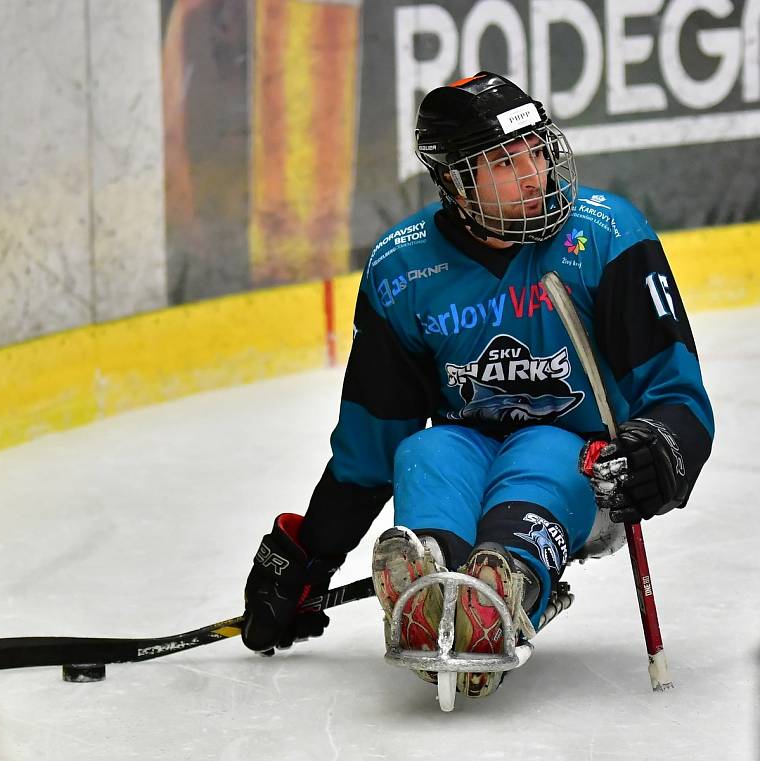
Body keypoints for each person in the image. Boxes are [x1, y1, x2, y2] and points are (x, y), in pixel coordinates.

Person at [240, 72, 714, 700]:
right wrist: (310, 558)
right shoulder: (403, 269)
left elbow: (678, 396)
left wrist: (661, 448)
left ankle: (504, 586)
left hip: (579, 461)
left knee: (543, 453)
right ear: (456, 181)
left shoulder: (605, 237)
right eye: (503, 161)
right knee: (425, 452)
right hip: (467, 445)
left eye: (536, 151)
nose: (533, 174)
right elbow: (375, 442)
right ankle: (430, 587)